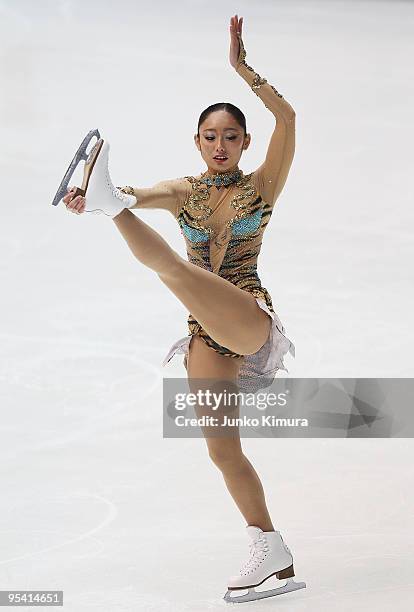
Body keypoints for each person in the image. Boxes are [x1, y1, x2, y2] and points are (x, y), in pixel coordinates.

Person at [61, 14, 305, 603]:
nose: (220, 145)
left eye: (231, 136)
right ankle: (269, 547)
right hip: (203, 334)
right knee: (224, 450)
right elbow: (133, 192)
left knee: (176, 270)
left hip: (248, 317)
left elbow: (289, 118)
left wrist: (244, 71)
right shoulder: (181, 191)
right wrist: (102, 197)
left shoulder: (262, 185)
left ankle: (104, 210)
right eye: (210, 136)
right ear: (197, 142)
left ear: (245, 143)